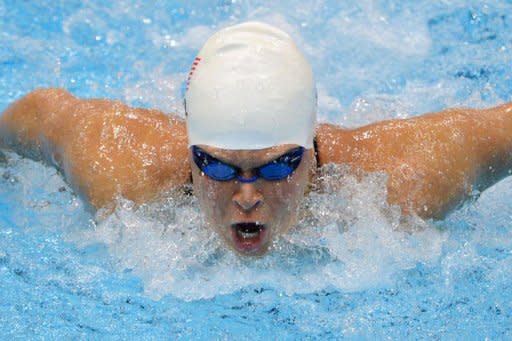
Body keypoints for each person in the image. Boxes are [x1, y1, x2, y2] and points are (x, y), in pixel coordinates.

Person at [0, 22, 511, 256]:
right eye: (219, 167)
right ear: (190, 152)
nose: (247, 195)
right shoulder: (116, 166)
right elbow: (40, 114)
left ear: (311, 149)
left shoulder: (402, 180)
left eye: (275, 166)